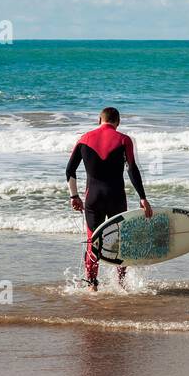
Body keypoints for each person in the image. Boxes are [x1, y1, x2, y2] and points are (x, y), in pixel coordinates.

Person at [65, 107, 153, 289]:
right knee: (120, 242)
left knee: (93, 242)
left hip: (93, 199)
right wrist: (142, 197)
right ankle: (120, 284)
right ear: (118, 122)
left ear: (99, 120)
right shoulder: (123, 139)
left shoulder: (84, 139)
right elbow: (132, 169)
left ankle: (92, 285)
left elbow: (69, 170)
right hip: (116, 198)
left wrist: (74, 196)